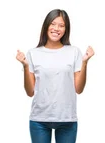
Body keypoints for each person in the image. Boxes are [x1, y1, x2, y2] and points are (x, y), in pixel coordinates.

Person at [15, 9, 94, 143]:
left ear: (66, 29)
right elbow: (30, 92)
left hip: (67, 119)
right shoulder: (33, 53)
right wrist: (25, 65)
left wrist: (85, 62)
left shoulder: (74, 52)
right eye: (53, 24)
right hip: (40, 119)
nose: (56, 28)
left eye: (61, 25)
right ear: (46, 26)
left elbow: (79, 89)